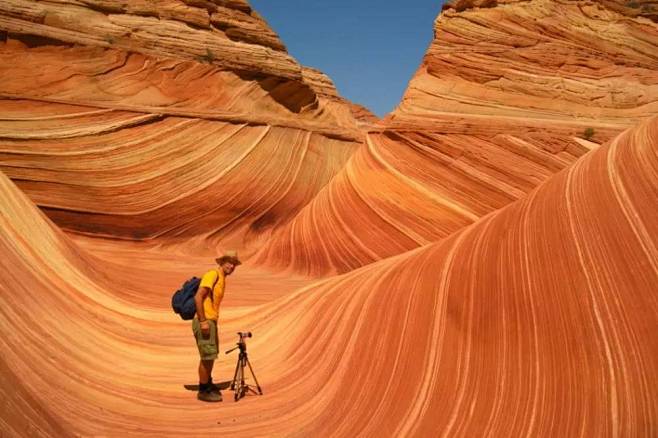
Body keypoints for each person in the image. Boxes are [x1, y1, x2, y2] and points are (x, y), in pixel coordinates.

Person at [192, 250, 241, 402]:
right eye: (229, 262)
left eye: (234, 264)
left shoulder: (222, 278)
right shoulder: (212, 274)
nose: (232, 266)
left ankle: (208, 383)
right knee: (207, 356)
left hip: (211, 320)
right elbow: (198, 297)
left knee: (211, 354)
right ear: (222, 262)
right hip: (205, 320)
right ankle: (203, 390)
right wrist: (203, 321)